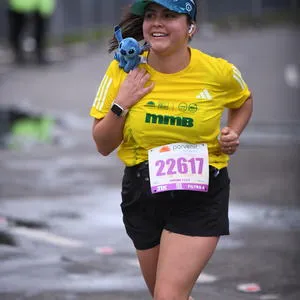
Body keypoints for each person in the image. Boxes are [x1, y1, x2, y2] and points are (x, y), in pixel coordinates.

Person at [89, 0, 253, 299]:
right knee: (166, 295)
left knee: (168, 296)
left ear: (191, 28)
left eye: (169, 15)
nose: (157, 23)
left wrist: (233, 131)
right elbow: (102, 144)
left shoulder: (218, 71)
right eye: (150, 15)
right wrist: (122, 101)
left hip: (200, 194)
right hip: (142, 193)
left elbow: (242, 100)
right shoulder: (123, 69)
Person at [7, 0, 56, 65]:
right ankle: (19, 54)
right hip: (21, 5)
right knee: (18, 29)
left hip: (36, 4)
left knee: (39, 31)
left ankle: (37, 53)